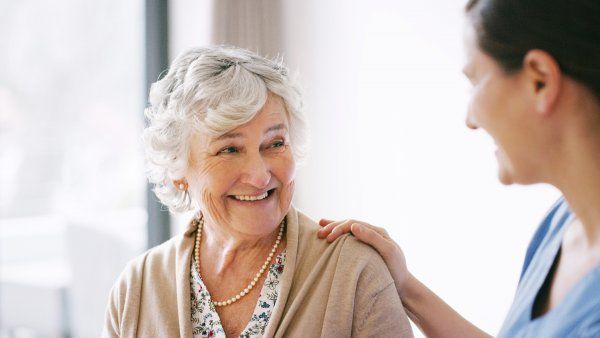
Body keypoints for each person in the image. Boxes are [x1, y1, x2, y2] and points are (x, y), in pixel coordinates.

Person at [318, 0, 600, 337]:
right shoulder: (561, 225)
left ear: (539, 80)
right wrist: (406, 286)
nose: (470, 120)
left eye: (475, 81)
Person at [102, 46, 413, 337]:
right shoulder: (137, 289)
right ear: (178, 169)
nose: (260, 176)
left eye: (275, 143)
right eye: (229, 149)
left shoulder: (355, 272)